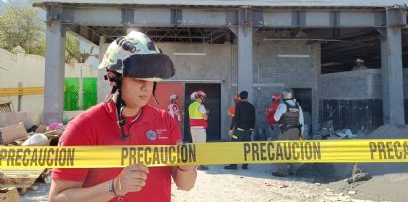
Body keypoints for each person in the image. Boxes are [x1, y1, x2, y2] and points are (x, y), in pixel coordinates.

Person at [49, 31, 197, 202]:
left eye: (151, 79)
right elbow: (57, 198)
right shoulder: (83, 127)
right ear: (113, 77)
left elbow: (186, 185)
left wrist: (186, 167)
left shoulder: (165, 121)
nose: (147, 87)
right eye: (138, 78)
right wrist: (115, 187)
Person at [272, 87, 304, 177]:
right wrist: (301, 133)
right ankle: (293, 170)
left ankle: (282, 171)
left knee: (281, 150)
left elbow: (276, 118)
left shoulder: (282, 105)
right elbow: (301, 121)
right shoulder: (298, 106)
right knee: (293, 151)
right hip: (296, 131)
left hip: (285, 131)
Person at [224, 91, 255, 170]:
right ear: (247, 97)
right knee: (246, 147)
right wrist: (252, 129)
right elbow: (254, 119)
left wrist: (231, 129)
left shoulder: (238, 106)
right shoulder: (251, 106)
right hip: (248, 131)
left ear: (240, 97)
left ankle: (234, 165)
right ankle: (245, 165)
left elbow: (235, 119)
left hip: (239, 131)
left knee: (234, 146)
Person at [188, 90, 209, 170]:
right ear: (200, 98)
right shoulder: (201, 106)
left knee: (195, 146)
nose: (204, 99)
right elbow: (205, 118)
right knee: (201, 147)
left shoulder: (191, 106)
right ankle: (201, 165)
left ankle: (195, 164)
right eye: (203, 98)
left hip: (192, 128)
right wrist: (206, 113)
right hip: (200, 129)